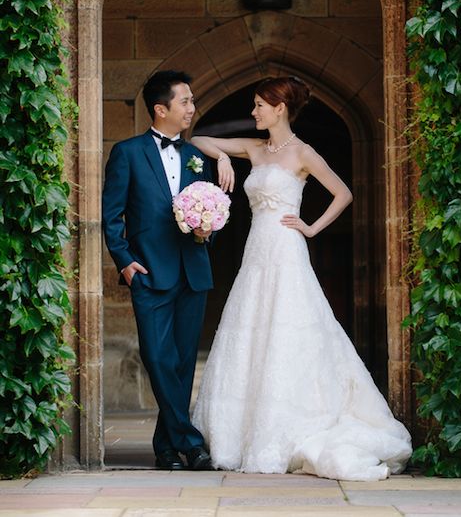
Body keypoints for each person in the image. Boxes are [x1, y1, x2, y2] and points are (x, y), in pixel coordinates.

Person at [191, 76, 412, 482]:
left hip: (286, 248)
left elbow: (343, 193)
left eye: (259, 105)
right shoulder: (254, 148)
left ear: (279, 109)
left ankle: (291, 421)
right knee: (250, 328)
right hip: (256, 251)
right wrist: (222, 158)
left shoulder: (303, 153)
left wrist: (311, 228)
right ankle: (240, 433)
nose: (254, 112)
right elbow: (198, 139)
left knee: (290, 327)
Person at [102, 70, 232, 471]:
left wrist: (208, 231)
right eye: (185, 101)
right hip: (148, 271)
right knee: (157, 356)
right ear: (161, 109)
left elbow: (208, 208)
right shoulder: (127, 153)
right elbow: (111, 215)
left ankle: (166, 449)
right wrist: (125, 262)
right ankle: (190, 443)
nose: (192, 108)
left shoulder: (196, 156)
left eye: (192, 101)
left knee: (181, 362)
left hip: (193, 270)